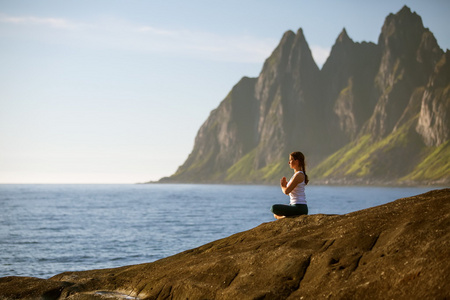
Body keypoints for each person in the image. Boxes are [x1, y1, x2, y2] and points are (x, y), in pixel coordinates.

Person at [271, 151, 309, 219]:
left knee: (273, 208)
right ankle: (286, 217)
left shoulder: (299, 175)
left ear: (296, 161)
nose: (289, 162)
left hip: (299, 207)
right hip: (295, 206)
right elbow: (290, 193)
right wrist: (285, 187)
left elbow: (286, 191)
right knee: (275, 214)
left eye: (290, 160)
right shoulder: (297, 175)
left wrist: (283, 186)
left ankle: (285, 218)